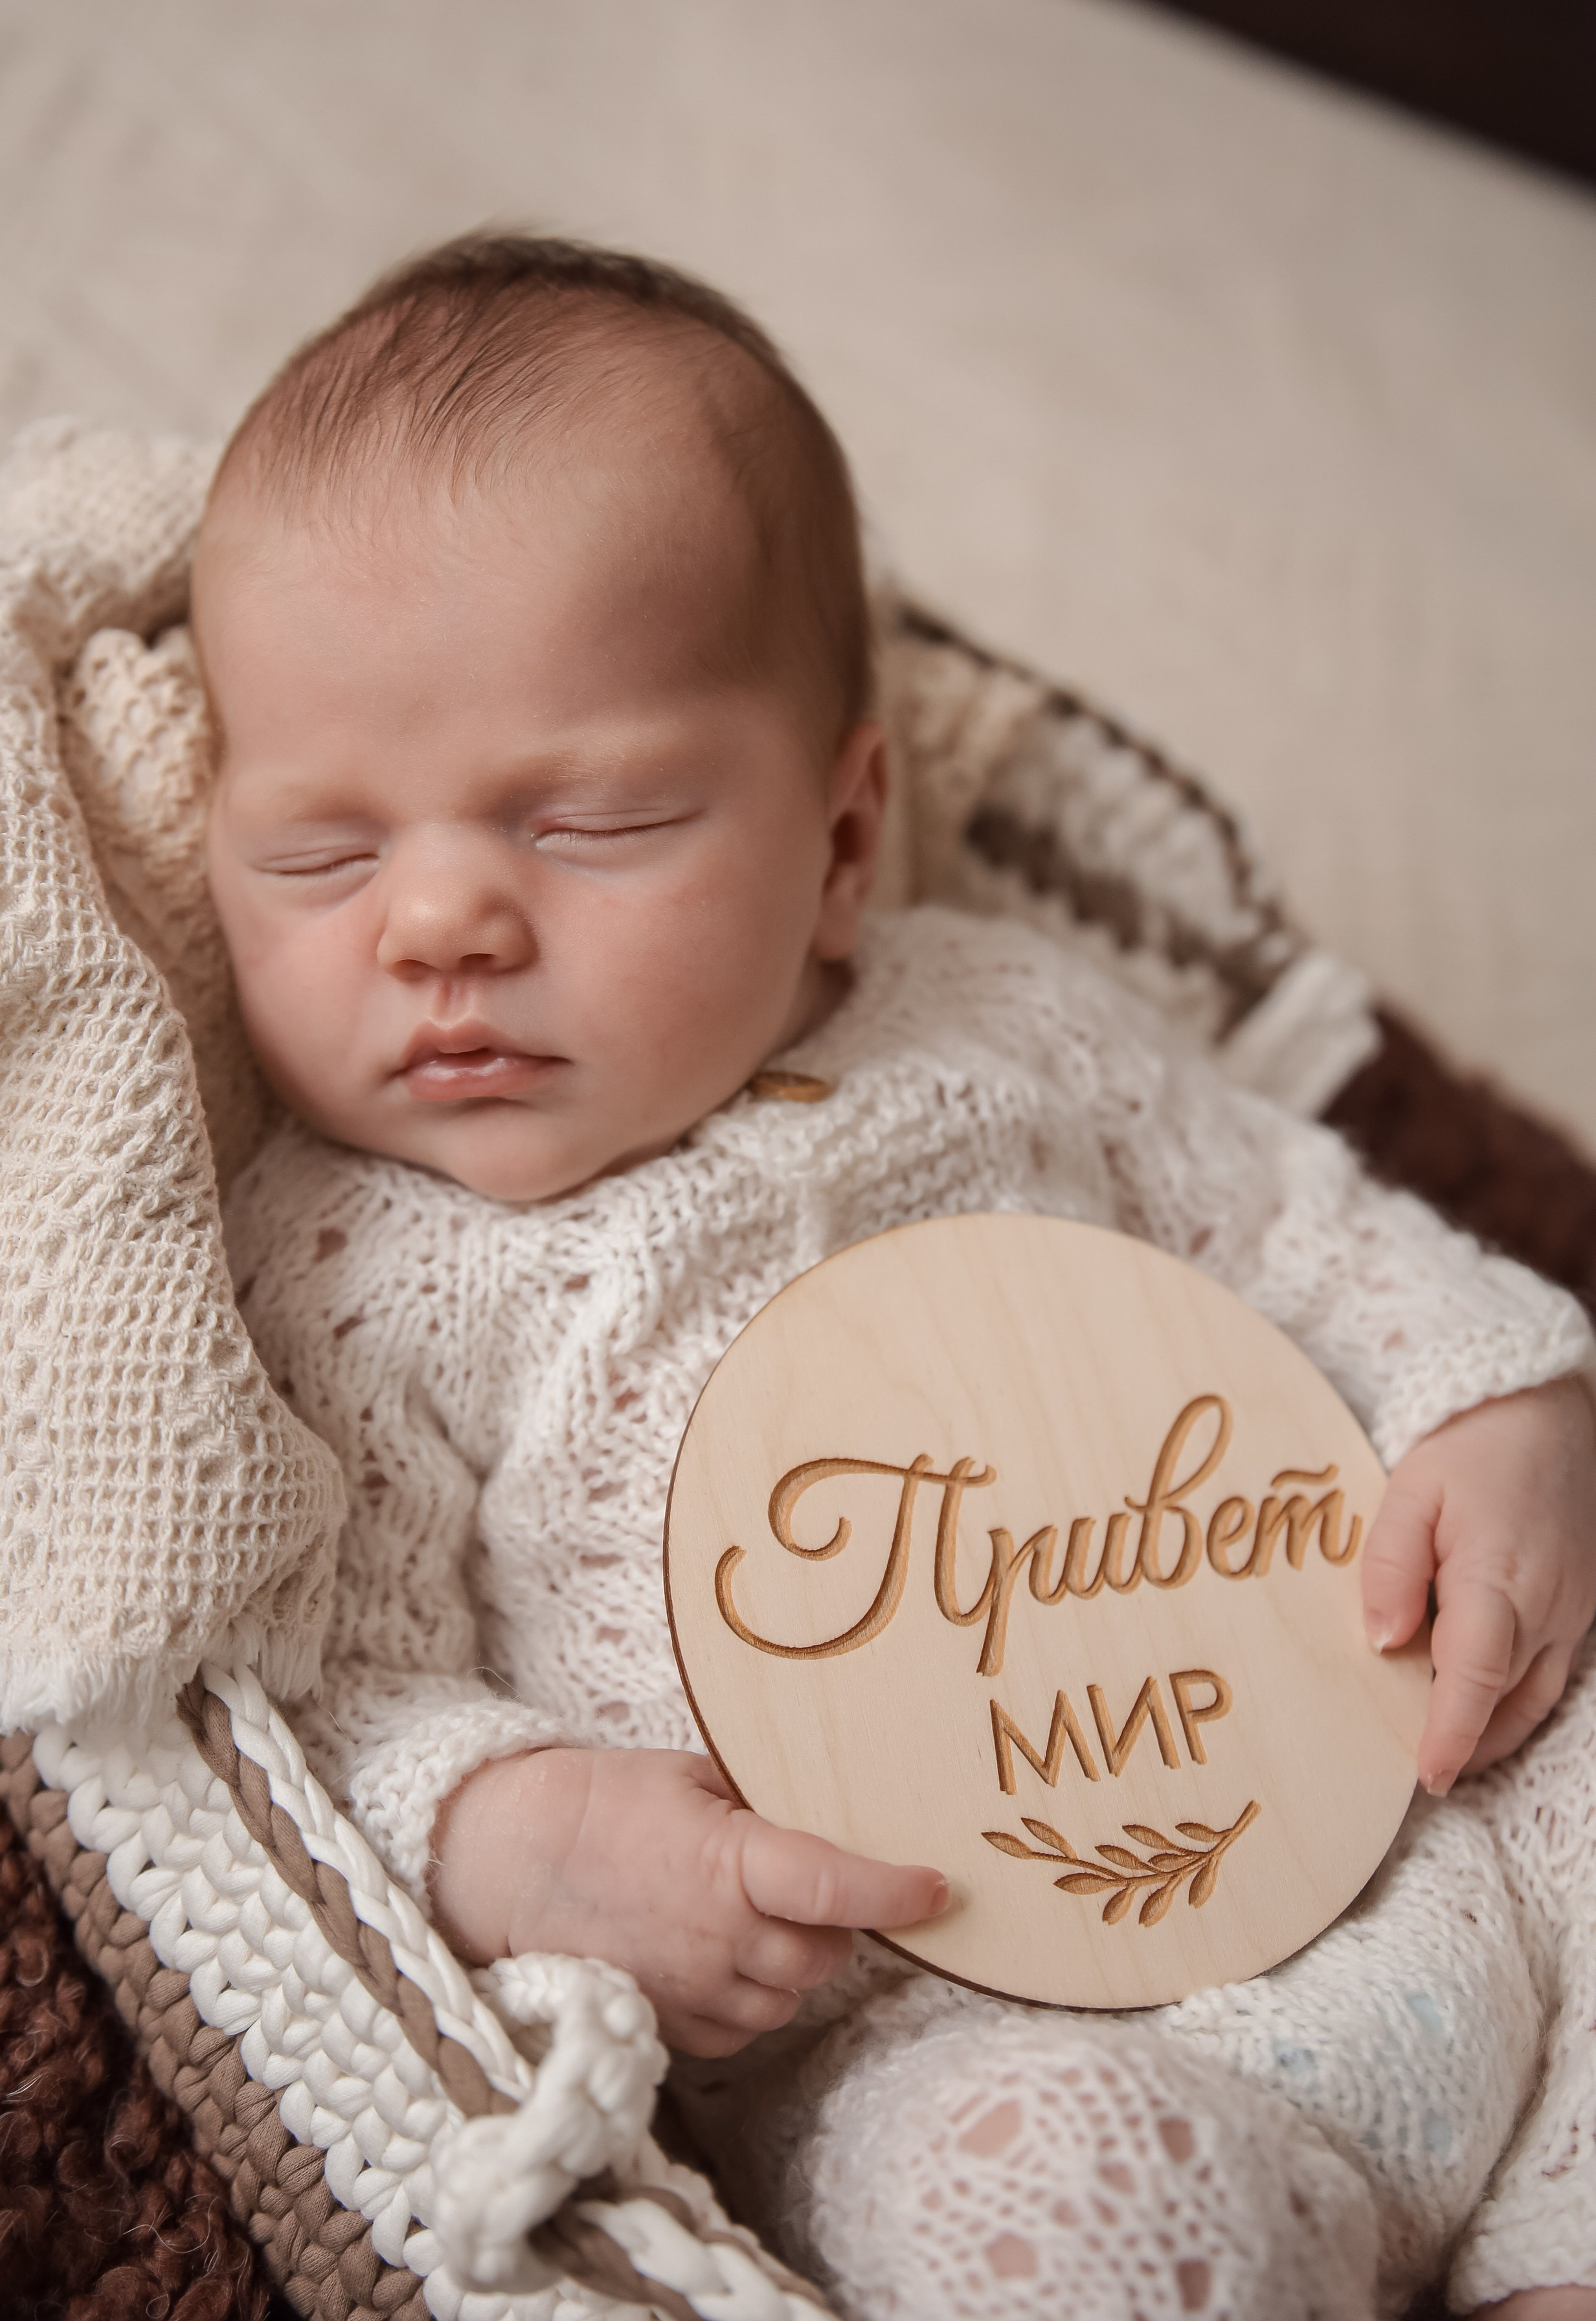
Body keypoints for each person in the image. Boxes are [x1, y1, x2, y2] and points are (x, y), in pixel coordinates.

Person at [198, 232, 1596, 2321]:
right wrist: (528, 1840)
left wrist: (1502, 1413)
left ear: (846, 839)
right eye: (321, 856)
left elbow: (1311, 1234)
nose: (438, 925)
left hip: (1409, 1817)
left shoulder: (1003, 1018)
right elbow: (330, 1697)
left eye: (589, 822)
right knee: (1028, 2205)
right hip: (930, 2035)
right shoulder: (345, 1274)